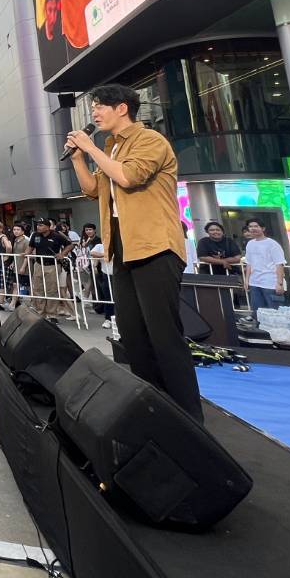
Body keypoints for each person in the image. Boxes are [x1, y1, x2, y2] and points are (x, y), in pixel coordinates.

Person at [67, 83, 202, 421]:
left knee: (164, 335)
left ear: (122, 108)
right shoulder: (110, 148)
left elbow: (129, 177)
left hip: (155, 246)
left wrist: (91, 148)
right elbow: (92, 189)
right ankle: (152, 409)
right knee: (133, 335)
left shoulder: (150, 141)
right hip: (123, 248)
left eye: (100, 107)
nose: (94, 113)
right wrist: (78, 158)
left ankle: (188, 417)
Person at [27, 217, 72, 320]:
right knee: (38, 290)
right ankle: (40, 313)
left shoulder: (56, 235)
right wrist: (26, 254)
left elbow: (70, 245)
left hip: (52, 265)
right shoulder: (35, 235)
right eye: (38, 225)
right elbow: (31, 247)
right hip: (38, 265)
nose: (38, 227)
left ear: (48, 227)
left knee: (52, 291)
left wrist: (62, 254)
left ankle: (52, 315)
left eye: (41, 225)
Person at [241, 219, 287, 314]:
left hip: (270, 283)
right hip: (255, 283)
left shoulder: (272, 244)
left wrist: (280, 283)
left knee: (275, 312)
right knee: (257, 312)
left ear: (263, 228)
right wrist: (246, 280)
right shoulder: (250, 244)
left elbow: (279, 264)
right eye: (250, 226)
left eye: (256, 226)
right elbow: (249, 263)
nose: (253, 228)